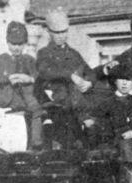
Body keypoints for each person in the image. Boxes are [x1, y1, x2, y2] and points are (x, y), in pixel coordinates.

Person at [35, 9, 95, 148]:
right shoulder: (44, 53)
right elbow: (45, 72)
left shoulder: (74, 54)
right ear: (49, 32)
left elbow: (89, 72)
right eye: (57, 32)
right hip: (55, 106)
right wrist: (70, 75)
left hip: (76, 106)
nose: (61, 36)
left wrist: (89, 83)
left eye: (64, 31)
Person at [0, 21, 44, 150]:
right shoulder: (0, 59)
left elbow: (38, 77)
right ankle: (34, 143)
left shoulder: (29, 60)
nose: (16, 48)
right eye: (13, 44)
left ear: (25, 44)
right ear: (7, 42)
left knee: (37, 109)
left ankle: (35, 143)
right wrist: (10, 78)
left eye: (20, 44)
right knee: (33, 110)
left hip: (26, 99)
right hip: (9, 98)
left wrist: (29, 79)